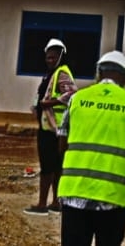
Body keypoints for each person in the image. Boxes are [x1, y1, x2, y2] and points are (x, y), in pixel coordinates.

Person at [57, 50, 125, 246]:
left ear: (99, 72)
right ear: (124, 77)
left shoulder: (76, 99)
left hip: (74, 192)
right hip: (112, 197)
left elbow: (62, 143)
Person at [26, 37, 77, 215]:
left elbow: (72, 94)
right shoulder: (51, 74)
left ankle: (42, 204)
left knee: (48, 167)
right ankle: (56, 202)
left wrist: (49, 103)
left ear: (61, 57)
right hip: (50, 127)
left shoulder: (61, 73)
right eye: (48, 57)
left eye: (53, 57)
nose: (50, 60)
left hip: (54, 129)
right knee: (56, 166)